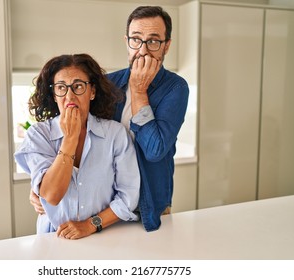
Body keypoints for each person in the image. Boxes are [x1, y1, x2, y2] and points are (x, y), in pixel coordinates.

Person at [29, 6, 189, 232]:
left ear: (167, 45)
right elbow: (74, 127)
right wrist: (40, 185)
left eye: (153, 41)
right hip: (104, 206)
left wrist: (139, 91)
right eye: (136, 40)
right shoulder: (108, 84)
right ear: (127, 41)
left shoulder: (175, 87)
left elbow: (155, 150)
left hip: (148, 204)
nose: (143, 50)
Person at [15, 54, 140, 239]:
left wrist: (90, 225)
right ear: (54, 94)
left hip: (106, 236)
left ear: (92, 92)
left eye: (78, 86)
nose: (69, 96)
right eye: (61, 88)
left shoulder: (116, 134)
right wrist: (70, 139)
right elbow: (51, 195)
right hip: (54, 239)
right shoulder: (38, 134)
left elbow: (128, 198)